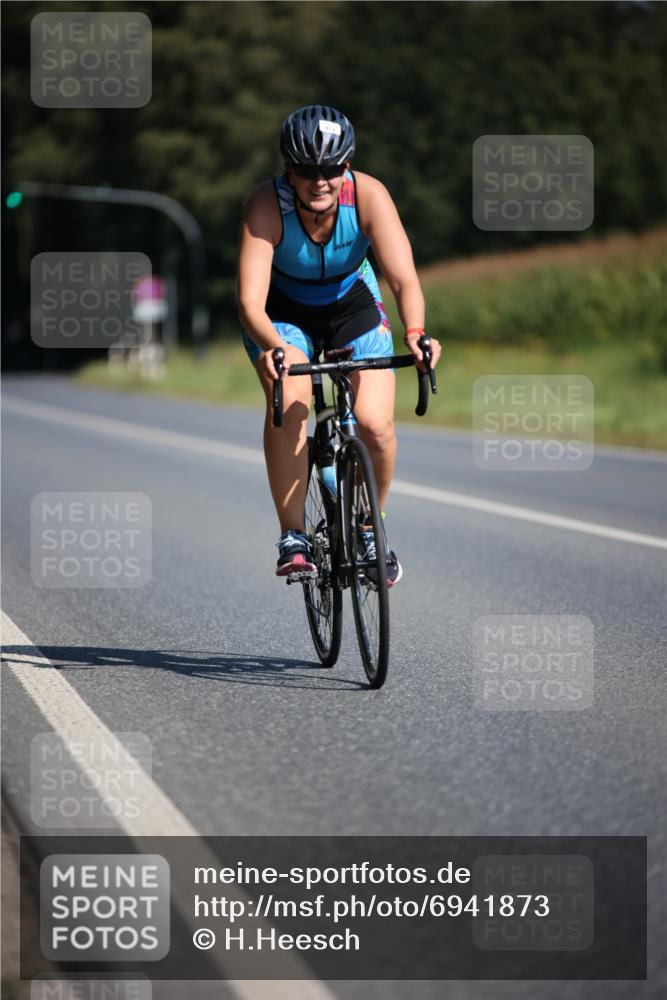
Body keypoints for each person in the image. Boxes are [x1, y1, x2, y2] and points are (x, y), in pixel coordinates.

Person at [237, 104, 441, 584]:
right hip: (281, 316)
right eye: (306, 170)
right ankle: (293, 535)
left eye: (331, 168)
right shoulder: (266, 205)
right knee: (294, 402)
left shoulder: (368, 196)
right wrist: (273, 347)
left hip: (353, 306)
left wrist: (415, 333)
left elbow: (404, 280)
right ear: (288, 169)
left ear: (346, 166)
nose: (319, 180)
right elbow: (249, 301)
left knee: (375, 424)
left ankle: (372, 528)